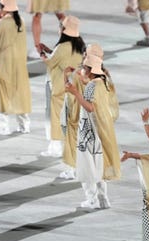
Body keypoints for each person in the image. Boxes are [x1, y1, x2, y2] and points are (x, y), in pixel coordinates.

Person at [65, 54, 120, 209]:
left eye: (84, 67)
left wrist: (75, 92)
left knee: (87, 165)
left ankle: (92, 199)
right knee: (98, 165)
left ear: (90, 70)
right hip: (99, 130)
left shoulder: (91, 86)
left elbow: (90, 107)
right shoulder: (103, 82)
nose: (82, 69)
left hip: (89, 130)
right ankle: (103, 199)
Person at [60, 43, 111, 180]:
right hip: (86, 113)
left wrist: (67, 77)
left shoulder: (85, 75)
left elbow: (71, 89)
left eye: (86, 54)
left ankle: (74, 169)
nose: (83, 55)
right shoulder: (102, 76)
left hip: (78, 110)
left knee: (75, 141)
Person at [40, 15, 84, 158]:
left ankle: (55, 148)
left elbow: (51, 63)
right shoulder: (80, 46)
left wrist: (41, 53)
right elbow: (60, 59)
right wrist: (48, 50)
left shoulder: (62, 47)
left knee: (54, 117)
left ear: (64, 30)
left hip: (58, 86)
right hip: (71, 87)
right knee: (66, 119)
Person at [0, 0, 31, 135]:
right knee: (19, 94)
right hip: (18, 65)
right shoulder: (21, 21)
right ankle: (24, 125)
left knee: (1, 95)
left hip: (4, 64)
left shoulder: (4, 23)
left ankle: (3, 126)